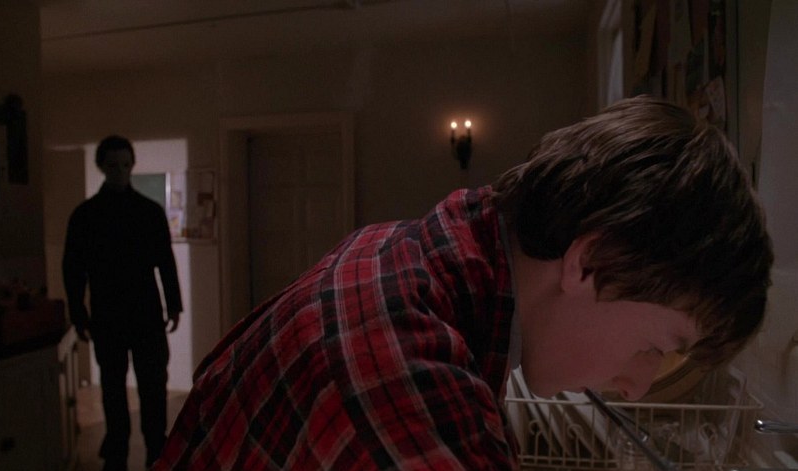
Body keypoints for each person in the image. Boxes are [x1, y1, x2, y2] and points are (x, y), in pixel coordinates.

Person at [153, 96, 772, 470]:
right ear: (592, 262)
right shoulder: (411, 381)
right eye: (656, 348)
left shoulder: (398, 246)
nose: (636, 387)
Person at [63, 135, 183, 471]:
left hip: (143, 313)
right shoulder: (86, 216)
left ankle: (155, 448)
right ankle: (118, 448)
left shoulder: (147, 212)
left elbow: (165, 262)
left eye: (125, 164)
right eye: (113, 165)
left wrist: (173, 304)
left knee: (152, 385)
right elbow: (73, 270)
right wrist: (78, 313)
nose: (120, 171)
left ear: (132, 166)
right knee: (114, 386)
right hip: (110, 315)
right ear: (101, 166)